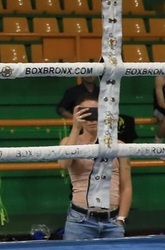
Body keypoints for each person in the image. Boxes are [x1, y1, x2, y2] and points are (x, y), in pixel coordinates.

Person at [56, 99, 132, 241]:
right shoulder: (69, 142)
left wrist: (121, 219)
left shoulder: (119, 146)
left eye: (96, 114)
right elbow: (63, 164)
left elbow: (126, 186)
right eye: (86, 114)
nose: (92, 120)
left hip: (113, 220)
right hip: (80, 219)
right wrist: (75, 127)